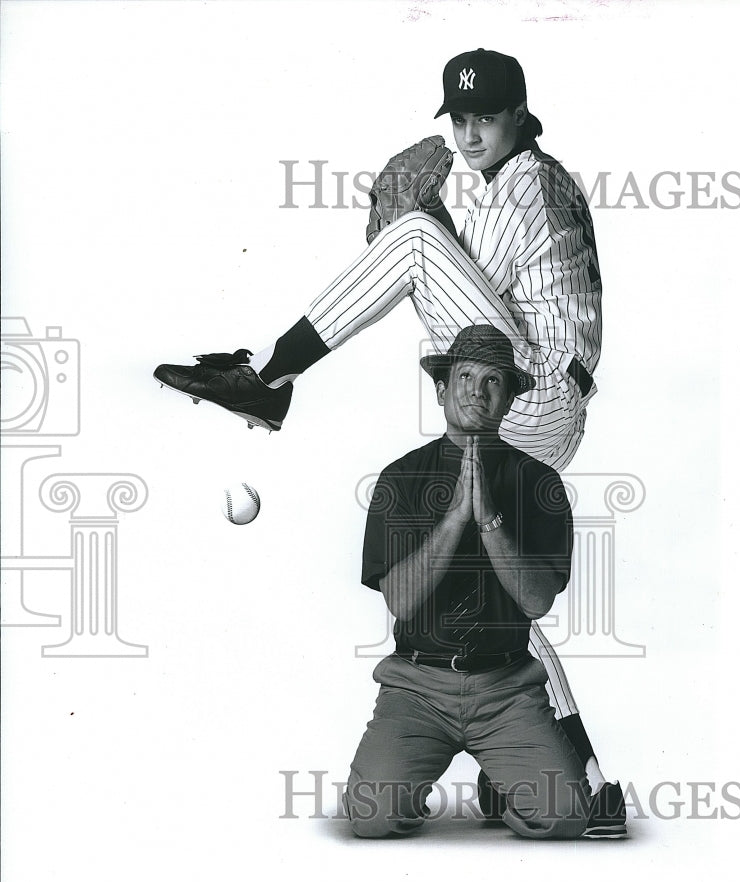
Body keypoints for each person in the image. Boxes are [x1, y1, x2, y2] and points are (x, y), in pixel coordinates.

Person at [154, 48, 625, 836]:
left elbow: (444, 272)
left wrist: (407, 218)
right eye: (460, 118)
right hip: (540, 395)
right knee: (504, 597)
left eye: (486, 117)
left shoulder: (528, 193)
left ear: (521, 114)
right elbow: (469, 296)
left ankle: (265, 380)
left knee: (409, 240)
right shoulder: (512, 180)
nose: (470, 133)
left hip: (532, 390)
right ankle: (590, 778)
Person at [344, 325, 589, 838]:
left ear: (508, 399)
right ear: (441, 390)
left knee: (566, 816)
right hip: (417, 687)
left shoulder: (539, 482)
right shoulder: (399, 479)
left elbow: (538, 601)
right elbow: (402, 603)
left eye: (494, 380)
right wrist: (455, 517)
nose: (478, 391)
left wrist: (489, 517)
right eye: (466, 377)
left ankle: (499, 779)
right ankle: (424, 779)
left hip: (506, 689)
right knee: (370, 818)